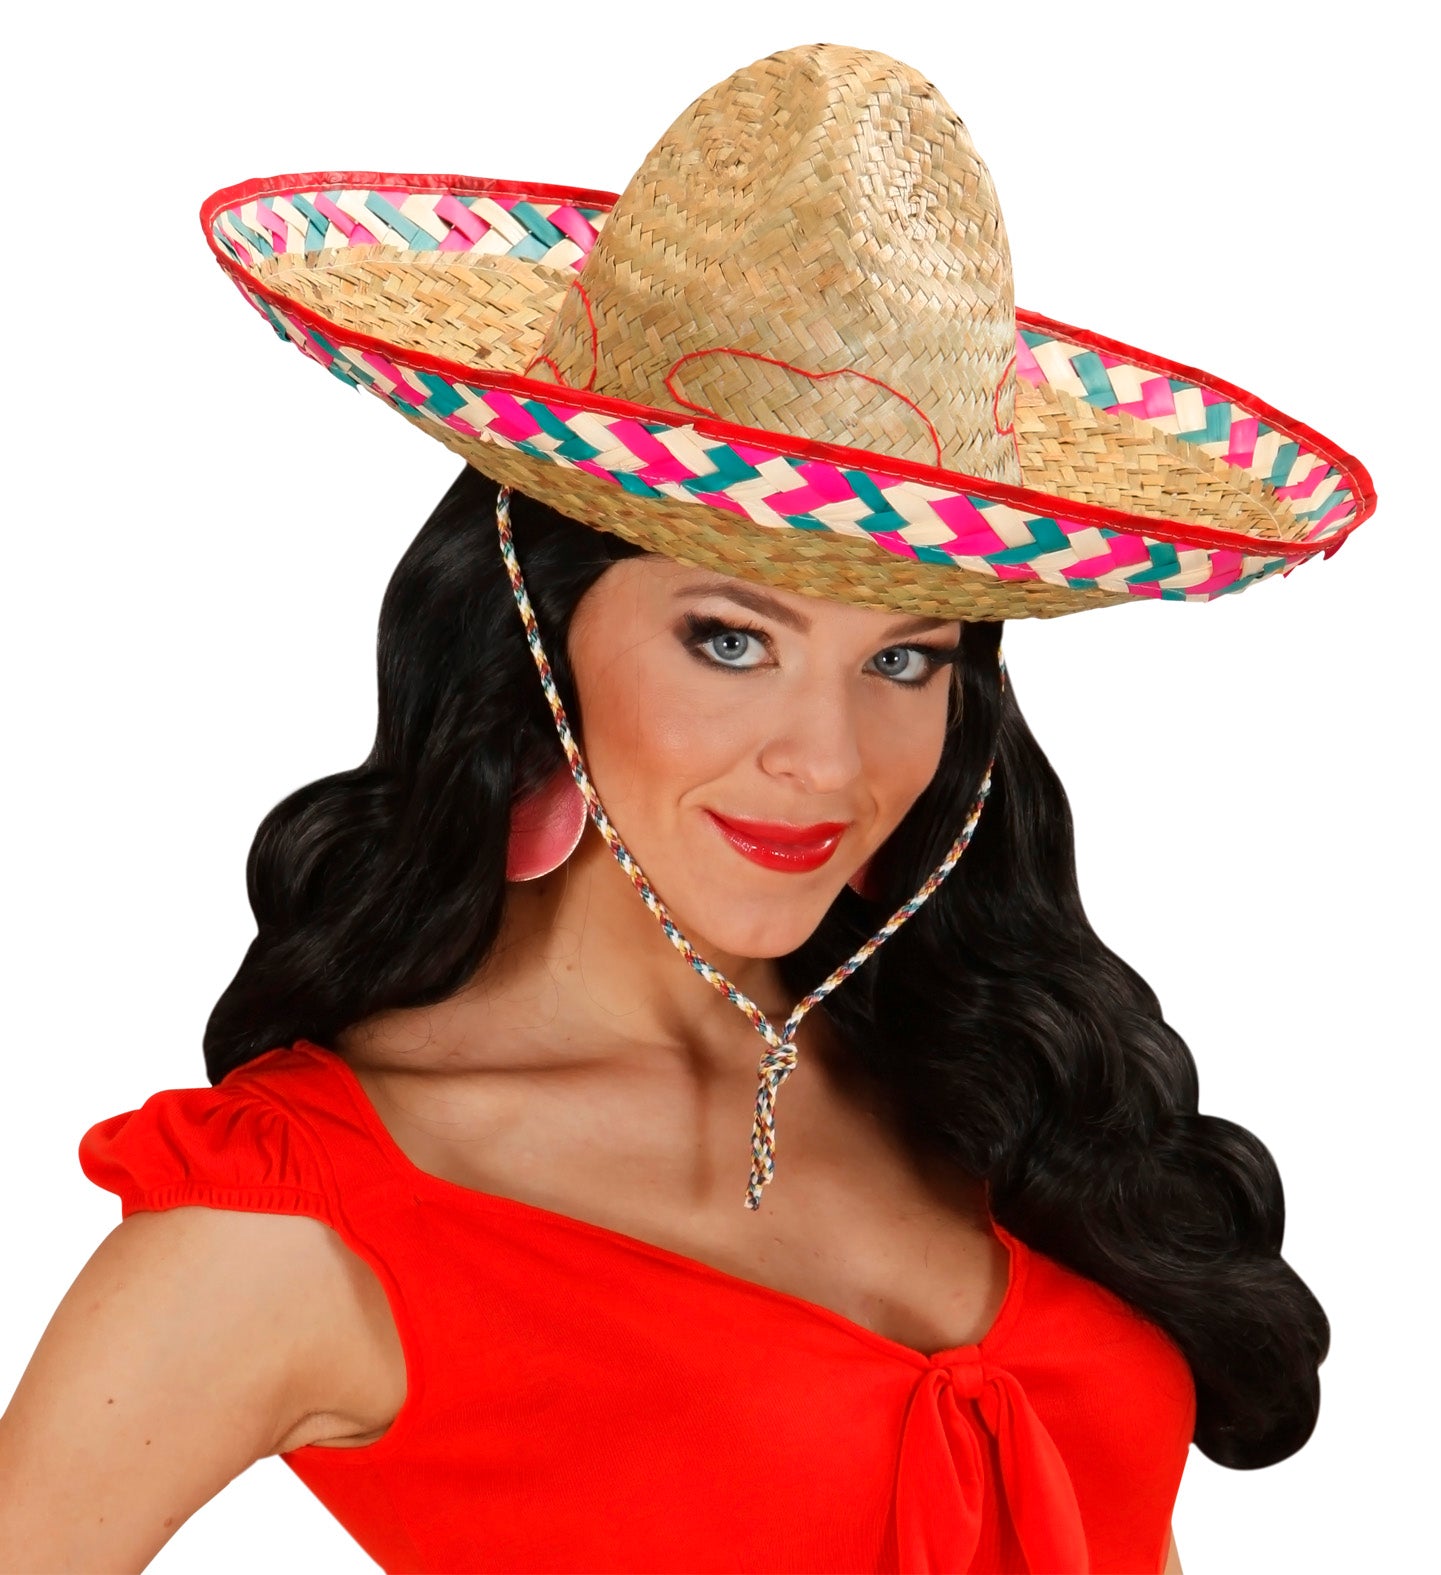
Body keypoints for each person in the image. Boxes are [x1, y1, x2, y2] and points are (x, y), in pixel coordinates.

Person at [0, 40, 1371, 1575]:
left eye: (902, 658)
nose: (826, 761)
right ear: (536, 642)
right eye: (729, 641)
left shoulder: (1001, 1086)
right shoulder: (305, 1216)